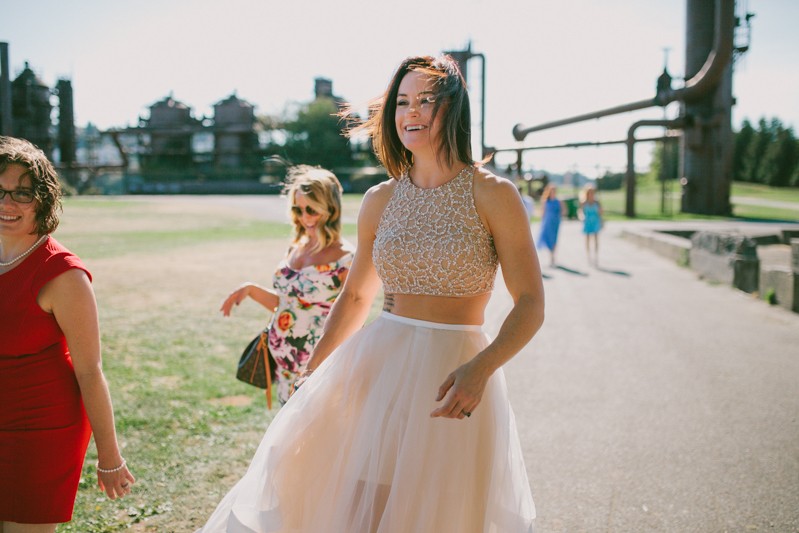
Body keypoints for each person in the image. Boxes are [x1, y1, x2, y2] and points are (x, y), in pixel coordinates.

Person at [197, 54, 544, 532]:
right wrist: (312, 376)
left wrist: (480, 369)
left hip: (454, 379)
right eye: (403, 102)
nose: (412, 112)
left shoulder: (493, 193)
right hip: (378, 368)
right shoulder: (381, 199)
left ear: (454, 108)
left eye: (426, 100)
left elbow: (530, 302)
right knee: (357, 505)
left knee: (437, 515)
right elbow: (357, 297)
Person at [0, 136, 135, 531]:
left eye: (22, 194)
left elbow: (90, 370)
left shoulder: (64, 274)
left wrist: (109, 456)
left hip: (39, 430)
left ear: (43, 199)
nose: (8, 204)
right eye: (0, 191)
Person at [220, 165, 353, 406]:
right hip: (284, 369)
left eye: (311, 210)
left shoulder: (346, 260)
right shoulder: (296, 248)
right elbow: (288, 305)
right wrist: (251, 289)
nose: (304, 218)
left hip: (319, 372)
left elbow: (352, 319)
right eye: (298, 209)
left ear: (330, 209)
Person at [537, 183, 563, 267]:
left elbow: (564, 211)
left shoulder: (559, 201)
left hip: (555, 222)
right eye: (551, 190)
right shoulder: (545, 201)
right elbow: (542, 212)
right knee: (547, 238)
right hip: (547, 222)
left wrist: (559, 215)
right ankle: (551, 255)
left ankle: (552, 256)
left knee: (554, 239)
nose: (553, 192)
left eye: (554, 190)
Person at [579, 185, 603, 266]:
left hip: (595, 222)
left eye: (592, 192)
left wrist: (601, 217)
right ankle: (589, 256)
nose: (591, 194)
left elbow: (601, 213)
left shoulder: (597, 202)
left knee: (596, 239)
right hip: (587, 222)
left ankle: (596, 256)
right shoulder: (584, 202)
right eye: (589, 192)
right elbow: (580, 212)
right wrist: (582, 216)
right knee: (588, 239)